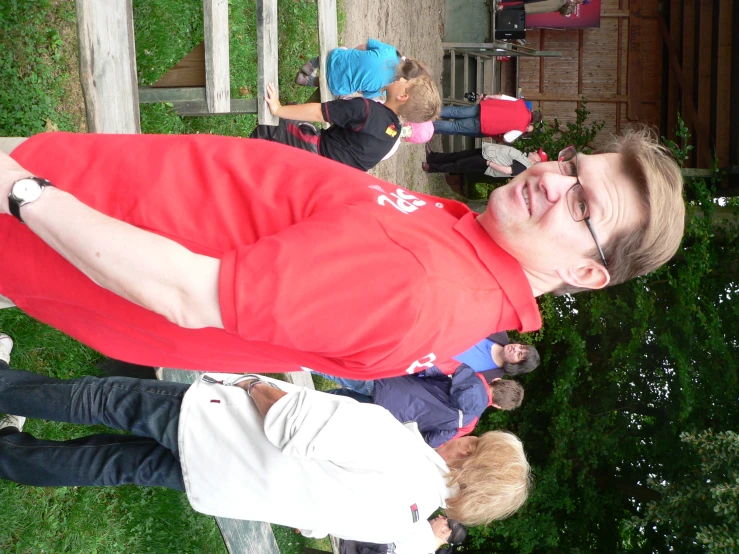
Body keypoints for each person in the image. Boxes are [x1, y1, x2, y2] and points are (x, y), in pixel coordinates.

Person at [0, 126, 685, 379]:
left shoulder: (423, 288)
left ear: (583, 273)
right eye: (572, 165)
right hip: (66, 188)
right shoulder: (463, 250)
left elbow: (184, 292)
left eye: (581, 205)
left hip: (35, 222)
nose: (553, 180)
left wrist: (24, 192)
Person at [0, 336, 531, 546]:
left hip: (214, 429)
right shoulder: (404, 523)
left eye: (476, 442)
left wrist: (254, 383)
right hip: (221, 481)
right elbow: (315, 524)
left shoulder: (397, 447)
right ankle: (8, 453)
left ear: (469, 453)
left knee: (100, 400)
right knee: (111, 463)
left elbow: (292, 421)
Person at [250, 78, 441, 171]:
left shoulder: (366, 110)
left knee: (272, 127)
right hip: (329, 177)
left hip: (317, 153)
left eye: (406, 82)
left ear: (402, 96)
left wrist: (278, 109)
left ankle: (238, 162)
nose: (401, 78)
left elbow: (319, 113)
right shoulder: (393, 136)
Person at [328, 366, 525, 447]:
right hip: (390, 415)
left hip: (389, 383)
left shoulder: (464, 371)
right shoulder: (468, 424)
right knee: (334, 405)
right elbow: (429, 441)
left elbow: (424, 367)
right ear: (498, 406)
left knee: (330, 369)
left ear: (497, 380)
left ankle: (298, 357)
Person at [295, 40, 428, 99]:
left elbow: (363, 46)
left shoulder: (391, 51)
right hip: (335, 86)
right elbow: (362, 92)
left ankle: (311, 65)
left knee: (342, 51)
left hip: (335, 60)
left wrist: (353, 56)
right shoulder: (389, 88)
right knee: (342, 83)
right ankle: (306, 81)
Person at [433, 332, 541, 381]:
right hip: (434, 334)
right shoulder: (499, 332)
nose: (516, 348)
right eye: (521, 346)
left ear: (516, 365)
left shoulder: (491, 377)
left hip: (427, 364)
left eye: (519, 354)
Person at [433, 94, 542, 140]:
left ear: (533, 111)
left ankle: (430, 112)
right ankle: (428, 125)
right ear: (532, 123)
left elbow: (501, 97)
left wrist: (488, 96)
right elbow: (506, 138)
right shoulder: (521, 128)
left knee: (455, 111)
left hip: (484, 108)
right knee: (454, 127)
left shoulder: (521, 103)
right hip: (484, 124)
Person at [338, 516, 468, 554]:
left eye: (445, 519)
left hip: (359, 541)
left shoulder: (422, 529)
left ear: (447, 531)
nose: (440, 516)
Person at [423, 145, 546, 177]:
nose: (535, 151)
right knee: (458, 155)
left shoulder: (524, 167)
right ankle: (433, 156)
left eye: (537, 154)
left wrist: (489, 163)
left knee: (459, 165)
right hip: (486, 153)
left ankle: (431, 167)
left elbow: (508, 170)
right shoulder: (523, 157)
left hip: (486, 162)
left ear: (536, 160)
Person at [497, 0, 587, 16]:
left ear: (581, 2)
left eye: (583, 0)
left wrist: (566, 5)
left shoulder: (572, 7)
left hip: (544, 5)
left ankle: (502, 9)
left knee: (522, 8)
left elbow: (563, 13)